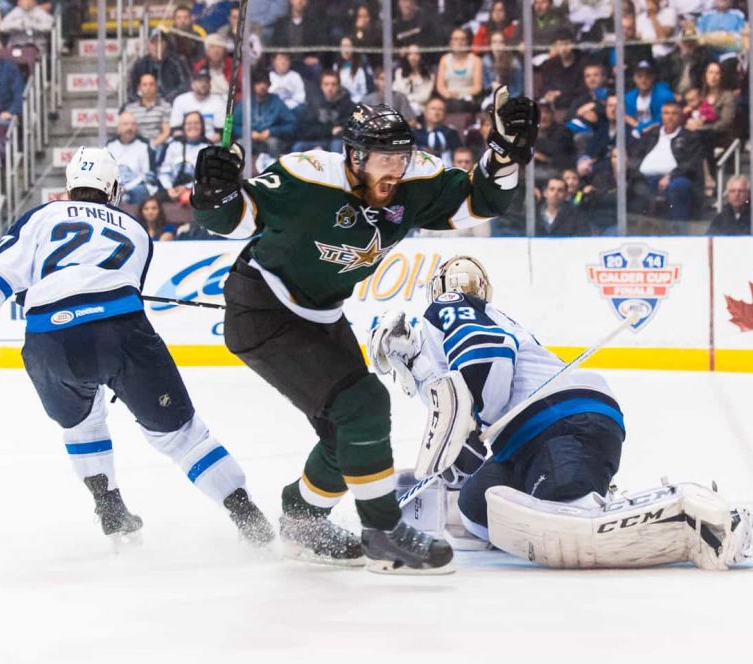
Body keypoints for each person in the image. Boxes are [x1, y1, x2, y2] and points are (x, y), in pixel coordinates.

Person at [189, 91, 539, 572]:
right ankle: (383, 532)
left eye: (401, 155)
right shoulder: (305, 178)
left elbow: (482, 200)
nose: (394, 169)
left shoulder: (413, 182)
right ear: (355, 156)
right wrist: (214, 188)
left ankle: (303, 519)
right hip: (263, 311)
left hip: (321, 315)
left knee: (347, 432)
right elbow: (229, 218)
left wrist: (504, 153)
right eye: (383, 158)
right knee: (364, 405)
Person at [0, 147, 273, 548]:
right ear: (114, 189)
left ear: (68, 187)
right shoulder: (136, 230)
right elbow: (117, 284)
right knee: (182, 435)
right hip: (121, 333)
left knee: (82, 422)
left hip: (49, 340)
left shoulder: (42, 217)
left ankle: (110, 506)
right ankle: (248, 517)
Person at [369, 255, 753, 570]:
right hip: (523, 443)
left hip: (563, 419)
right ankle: (576, 491)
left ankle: (695, 516)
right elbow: (459, 402)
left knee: (564, 507)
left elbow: (485, 352)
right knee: (474, 509)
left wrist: (471, 430)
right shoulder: (436, 352)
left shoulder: (446, 307)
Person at [630, 100, 702, 226]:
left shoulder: (690, 137)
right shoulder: (651, 134)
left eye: (674, 113)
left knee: (678, 186)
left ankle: (678, 230)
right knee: (637, 187)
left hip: (677, 177)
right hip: (648, 177)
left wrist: (671, 176)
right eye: (666, 113)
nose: (669, 117)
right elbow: (637, 156)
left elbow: (690, 164)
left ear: (680, 116)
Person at [231, 68, 297, 162]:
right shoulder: (245, 102)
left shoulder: (277, 102)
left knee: (273, 142)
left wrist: (272, 131)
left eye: (265, 83)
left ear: (269, 85)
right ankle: (241, 173)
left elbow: (292, 125)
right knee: (239, 144)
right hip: (250, 138)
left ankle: (275, 171)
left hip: (271, 139)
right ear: (253, 86)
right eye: (258, 83)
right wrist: (247, 133)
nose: (262, 86)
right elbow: (233, 125)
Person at [292, 70, 356, 153]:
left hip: (335, 141)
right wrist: (330, 131)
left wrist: (339, 130)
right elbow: (305, 130)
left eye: (333, 84)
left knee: (337, 144)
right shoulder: (314, 103)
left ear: (339, 86)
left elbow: (349, 128)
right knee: (298, 147)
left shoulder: (347, 104)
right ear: (321, 86)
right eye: (326, 84)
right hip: (317, 140)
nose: (330, 88)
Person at [127, 31, 193, 104]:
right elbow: (131, 91)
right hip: (145, 106)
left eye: (159, 42)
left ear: (166, 44)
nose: (156, 46)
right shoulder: (140, 64)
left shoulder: (177, 62)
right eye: (153, 43)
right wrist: (143, 102)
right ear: (148, 45)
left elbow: (185, 86)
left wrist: (167, 99)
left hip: (172, 104)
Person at [160, 111, 211, 204]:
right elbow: (164, 172)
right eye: (189, 123)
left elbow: (207, 178)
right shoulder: (173, 145)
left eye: (196, 123)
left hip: (196, 190)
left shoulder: (208, 148)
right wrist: (169, 188)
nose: (193, 126)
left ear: (202, 126)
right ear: (183, 126)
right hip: (172, 188)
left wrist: (187, 187)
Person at [106, 113, 154, 205]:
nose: (130, 128)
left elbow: (146, 175)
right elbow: (107, 171)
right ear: (118, 128)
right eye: (126, 124)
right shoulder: (110, 146)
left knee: (141, 190)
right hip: (115, 186)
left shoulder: (143, 146)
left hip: (136, 186)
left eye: (133, 124)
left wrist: (127, 187)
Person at [120, 73, 173, 156]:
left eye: (151, 84)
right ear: (139, 88)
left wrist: (151, 145)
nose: (148, 87)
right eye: (144, 85)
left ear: (156, 87)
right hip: (135, 146)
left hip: (157, 146)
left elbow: (166, 132)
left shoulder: (165, 107)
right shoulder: (130, 109)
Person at [169, 66, 226, 143]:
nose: (203, 84)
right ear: (192, 83)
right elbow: (175, 129)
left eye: (206, 81)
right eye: (199, 81)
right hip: (185, 143)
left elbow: (220, 131)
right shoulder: (180, 100)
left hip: (210, 143)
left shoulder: (219, 101)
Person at [436, 29, 483, 114]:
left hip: (468, 98)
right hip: (449, 98)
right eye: (456, 39)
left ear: (467, 42)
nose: (459, 42)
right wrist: (448, 94)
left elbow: (477, 87)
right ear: (451, 42)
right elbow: (440, 86)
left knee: (460, 105)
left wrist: (461, 94)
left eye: (462, 39)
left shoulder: (476, 60)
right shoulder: (444, 59)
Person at [414, 97, 463, 166]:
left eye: (440, 109)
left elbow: (460, 153)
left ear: (445, 114)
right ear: (425, 112)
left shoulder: (452, 133)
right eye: (433, 109)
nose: (436, 113)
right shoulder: (416, 134)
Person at [392, 44, 434, 117]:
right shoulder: (399, 73)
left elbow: (424, 96)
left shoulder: (429, 76)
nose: (413, 57)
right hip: (401, 111)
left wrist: (406, 98)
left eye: (416, 54)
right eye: (410, 54)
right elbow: (395, 92)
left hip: (421, 112)